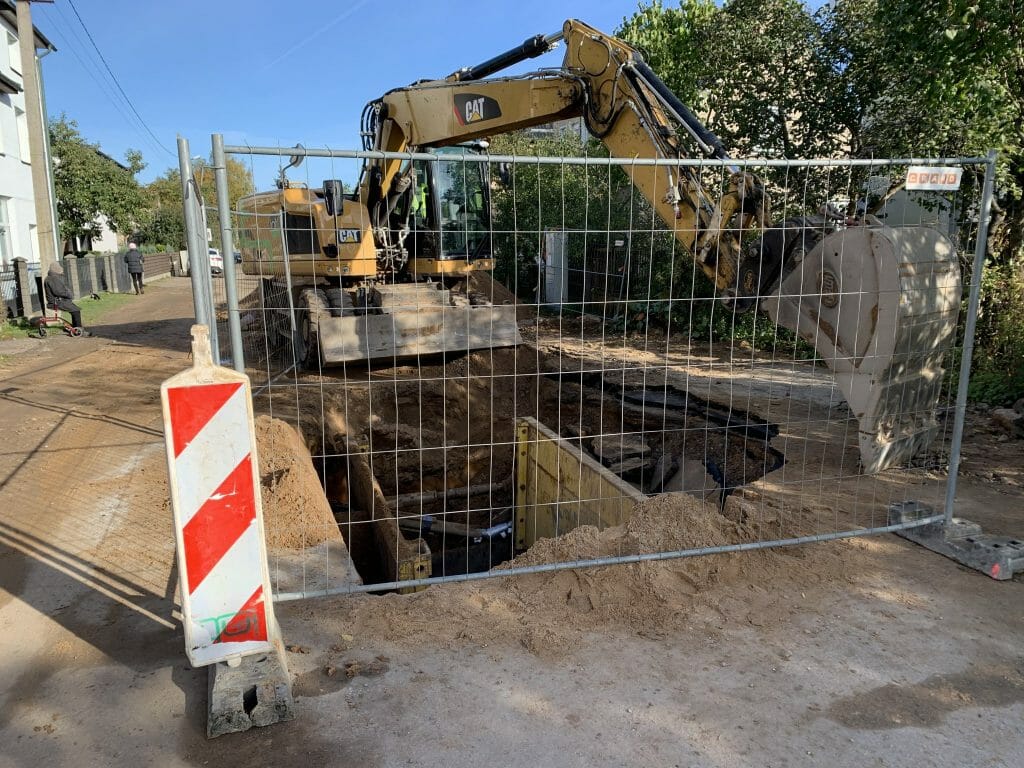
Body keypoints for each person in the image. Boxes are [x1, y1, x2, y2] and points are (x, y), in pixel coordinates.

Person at [43, 262, 86, 333]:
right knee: (76, 311)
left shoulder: (50, 278)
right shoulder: (53, 278)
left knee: (75, 310)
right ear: (55, 269)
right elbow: (58, 292)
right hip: (57, 302)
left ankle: (75, 328)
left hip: (57, 301)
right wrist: (69, 294)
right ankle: (79, 330)